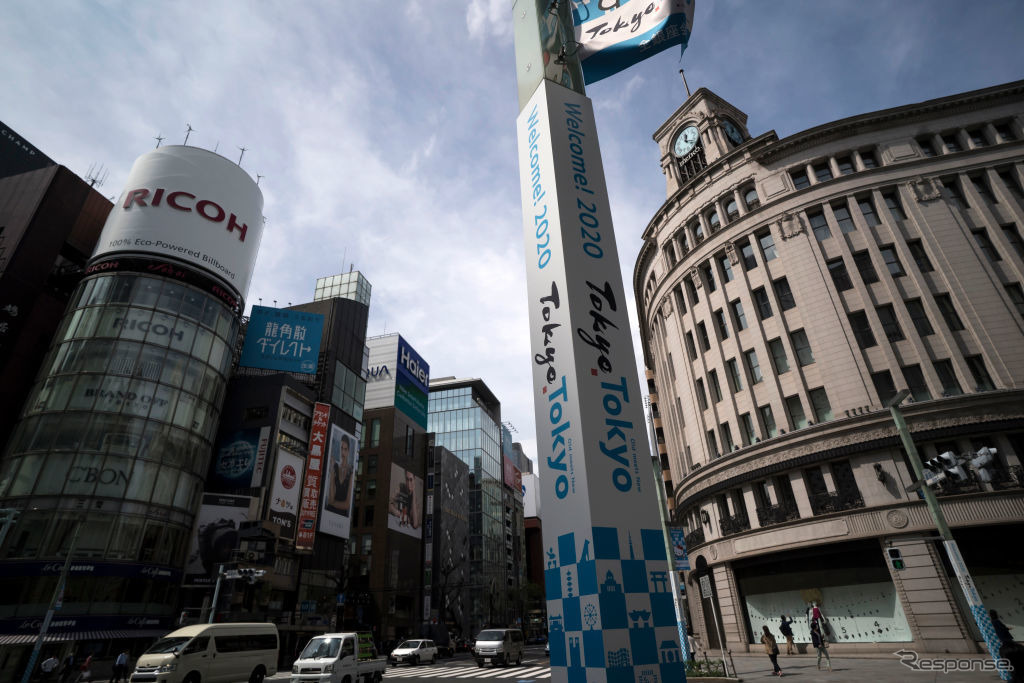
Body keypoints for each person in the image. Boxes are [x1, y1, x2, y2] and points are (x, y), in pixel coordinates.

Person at [991, 609, 1024, 682]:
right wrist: (1007, 628)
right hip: (1005, 637)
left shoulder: (993, 622)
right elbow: (1002, 627)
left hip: (1002, 637)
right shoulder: (996, 621)